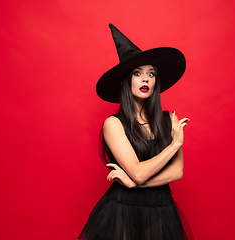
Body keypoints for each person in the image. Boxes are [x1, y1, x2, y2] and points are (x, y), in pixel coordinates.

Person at [79, 24, 194, 240]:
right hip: (123, 209)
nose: (145, 79)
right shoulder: (113, 124)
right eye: (137, 73)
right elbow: (138, 171)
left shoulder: (169, 119)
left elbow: (177, 172)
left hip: (161, 208)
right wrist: (175, 145)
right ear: (126, 81)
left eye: (151, 74)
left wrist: (135, 183)